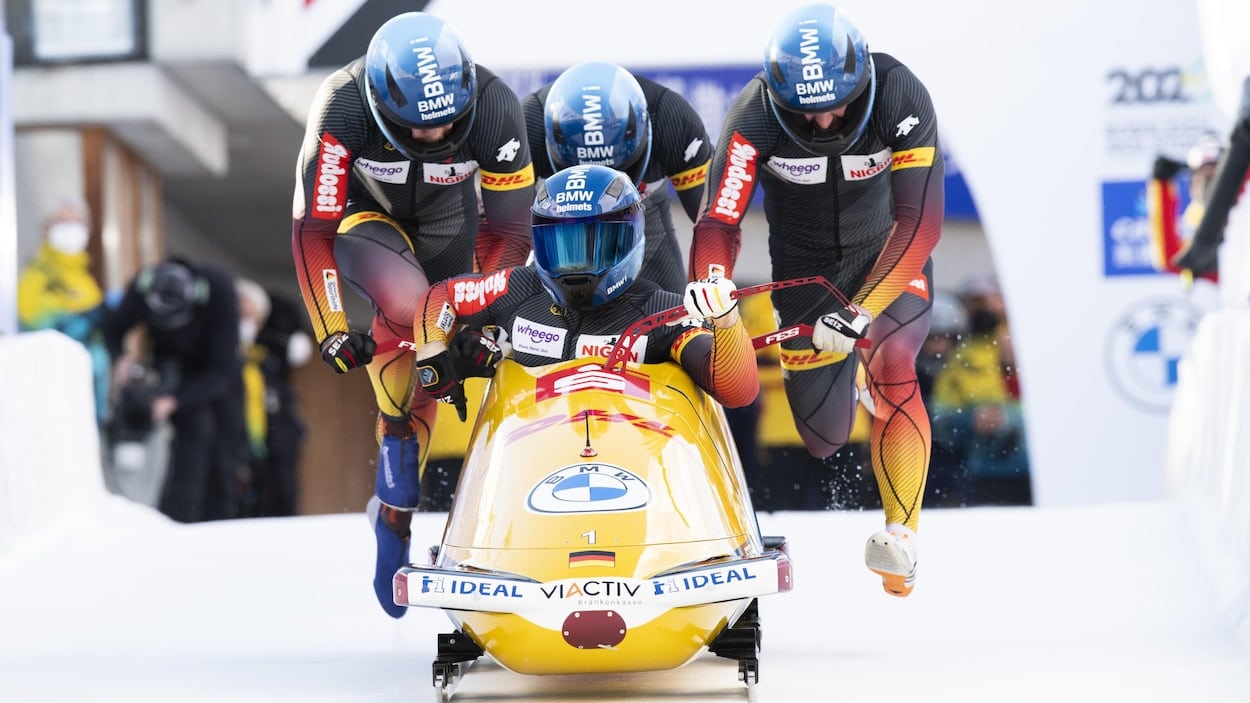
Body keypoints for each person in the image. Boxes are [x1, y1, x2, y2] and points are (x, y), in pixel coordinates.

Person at [393, 164, 759, 619]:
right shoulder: (516, 290)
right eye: (563, 246)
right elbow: (440, 298)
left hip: (635, 460)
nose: (577, 264)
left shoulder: (660, 312)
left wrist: (726, 324)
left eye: (595, 244)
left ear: (629, 240)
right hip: (529, 457)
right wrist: (433, 348)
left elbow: (736, 389)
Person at [687, 3, 944, 597]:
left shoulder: (901, 94)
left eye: (838, 105)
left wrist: (859, 313)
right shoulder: (753, 114)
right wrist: (713, 283)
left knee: (893, 361)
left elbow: (919, 224)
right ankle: (849, 382)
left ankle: (901, 540)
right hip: (802, 278)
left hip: (887, 259)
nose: (826, 122)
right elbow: (718, 222)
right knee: (824, 439)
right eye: (807, 111)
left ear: (862, 85)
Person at [288, 12, 535, 612]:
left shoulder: (498, 108)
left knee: (424, 374)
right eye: (416, 128)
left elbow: (511, 231)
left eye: (449, 123)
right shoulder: (341, 107)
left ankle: (395, 506)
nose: (435, 135)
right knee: (407, 305)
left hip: (454, 229)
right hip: (362, 220)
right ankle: (397, 477)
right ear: (378, 105)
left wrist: (477, 319)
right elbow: (312, 230)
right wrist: (330, 329)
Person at [520, 60, 713, 293]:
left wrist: (709, 293)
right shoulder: (528, 126)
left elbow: (712, 224)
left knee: (678, 311)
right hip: (566, 231)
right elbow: (508, 229)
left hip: (643, 220)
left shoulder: (672, 120)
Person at [101, 259, 245, 523]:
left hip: (215, 376)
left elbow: (223, 371)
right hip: (169, 369)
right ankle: (172, 521)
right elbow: (113, 328)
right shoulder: (143, 287)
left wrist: (175, 401)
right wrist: (120, 359)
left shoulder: (220, 291)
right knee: (185, 441)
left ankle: (216, 526)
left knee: (220, 456)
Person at [17, 198, 111, 426]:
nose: (70, 229)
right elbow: (29, 317)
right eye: (63, 221)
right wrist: (71, 321)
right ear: (47, 228)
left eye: (75, 222)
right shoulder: (37, 274)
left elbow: (100, 342)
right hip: (47, 390)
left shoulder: (86, 282)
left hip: (85, 396)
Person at [236, 279, 314, 517]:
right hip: (240, 434)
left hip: (276, 431)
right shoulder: (226, 348)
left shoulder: (272, 347)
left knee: (280, 491)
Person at [1170, 75, 1250, 279]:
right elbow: (1172, 258)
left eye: (1215, 169)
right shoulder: (1193, 227)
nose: (1208, 177)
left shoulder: (1241, 197)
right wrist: (1159, 185)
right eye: (1202, 171)